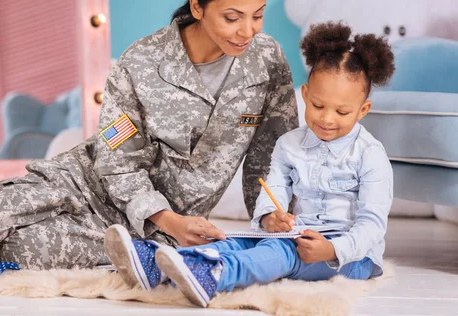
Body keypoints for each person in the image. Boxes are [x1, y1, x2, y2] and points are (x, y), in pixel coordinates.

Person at [0, 0, 298, 270]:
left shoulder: (266, 61)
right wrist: (166, 217)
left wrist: (268, 214)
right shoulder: (140, 62)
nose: (248, 31)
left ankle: (129, 250)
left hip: (156, 226)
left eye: (257, 16)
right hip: (89, 181)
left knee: (28, 250)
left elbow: (273, 155)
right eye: (232, 17)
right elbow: (117, 160)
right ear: (197, 7)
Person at [104, 21, 395, 307]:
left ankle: (215, 275)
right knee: (244, 241)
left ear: (363, 110)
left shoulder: (370, 155)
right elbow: (276, 187)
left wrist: (332, 249)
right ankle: (160, 264)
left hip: (352, 257)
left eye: (342, 112)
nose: (327, 119)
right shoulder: (289, 144)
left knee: (281, 254)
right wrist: (271, 215)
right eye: (317, 106)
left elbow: (372, 225)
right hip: (298, 235)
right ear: (305, 95)